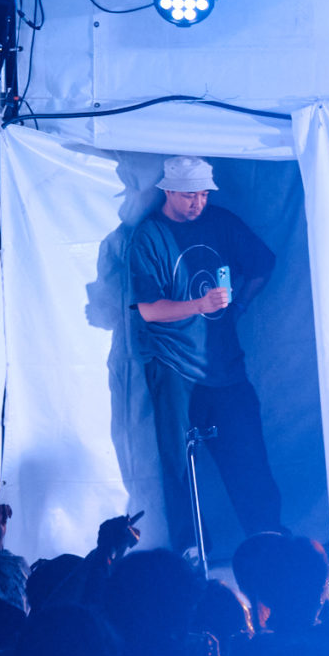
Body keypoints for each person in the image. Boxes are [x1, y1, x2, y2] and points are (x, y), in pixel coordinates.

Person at [127, 156, 284, 560]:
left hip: (225, 365)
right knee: (180, 465)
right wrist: (199, 305)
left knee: (248, 455)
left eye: (202, 194)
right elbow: (148, 309)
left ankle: (267, 538)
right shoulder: (150, 236)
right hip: (173, 366)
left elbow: (262, 264)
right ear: (167, 191)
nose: (197, 203)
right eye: (188, 196)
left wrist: (240, 305)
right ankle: (191, 549)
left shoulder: (222, 222)